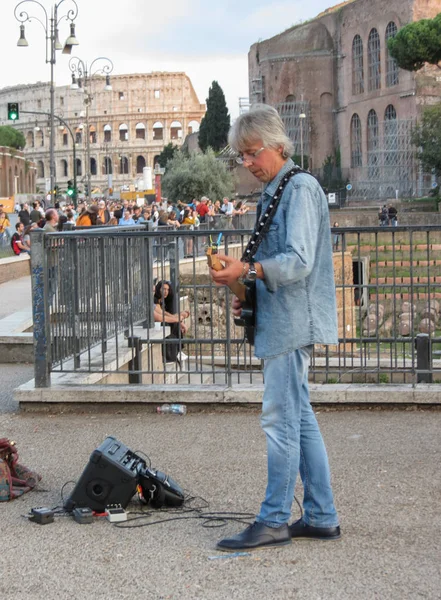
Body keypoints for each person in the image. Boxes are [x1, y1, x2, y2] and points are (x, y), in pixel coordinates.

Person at [209, 104, 340, 552]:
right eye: (241, 156)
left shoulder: (298, 189)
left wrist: (250, 269)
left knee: (280, 421)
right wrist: (243, 277)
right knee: (299, 420)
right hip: (284, 319)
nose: (246, 163)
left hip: (291, 322)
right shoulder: (281, 188)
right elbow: (274, 261)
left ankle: (274, 520)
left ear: (277, 145)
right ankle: (321, 516)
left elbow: (300, 260)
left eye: (251, 153)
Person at [153, 280, 189, 363]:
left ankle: (179, 351)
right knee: (173, 325)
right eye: (164, 289)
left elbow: (166, 313)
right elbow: (162, 315)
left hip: (161, 322)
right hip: (157, 324)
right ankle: (176, 352)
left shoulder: (162, 301)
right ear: (158, 289)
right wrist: (178, 319)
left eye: (167, 289)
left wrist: (179, 320)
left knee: (175, 324)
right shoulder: (155, 300)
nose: (166, 292)